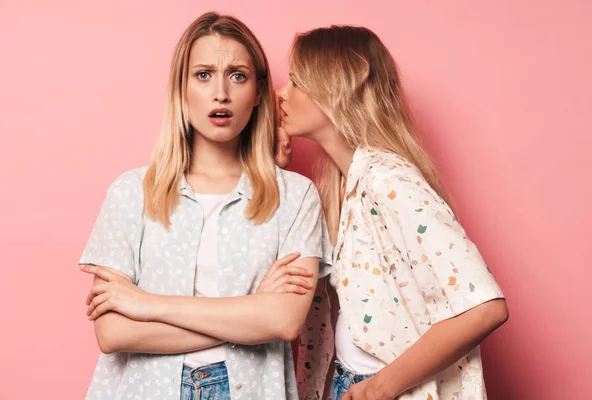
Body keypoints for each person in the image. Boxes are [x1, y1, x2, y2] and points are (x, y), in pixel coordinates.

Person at [79, 12, 331, 400]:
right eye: (203, 75)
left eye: (237, 75)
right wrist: (250, 312)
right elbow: (113, 333)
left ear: (259, 91)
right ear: (181, 88)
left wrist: (147, 304)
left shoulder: (296, 197)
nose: (221, 93)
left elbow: (282, 321)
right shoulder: (131, 192)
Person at [275, 25, 508, 400]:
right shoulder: (344, 185)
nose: (281, 94)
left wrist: (380, 389)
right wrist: (275, 176)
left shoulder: (387, 179)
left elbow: (485, 307)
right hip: (349, 380)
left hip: (389, 388)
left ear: (335, 89)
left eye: (297, 82)